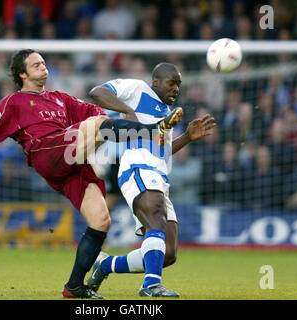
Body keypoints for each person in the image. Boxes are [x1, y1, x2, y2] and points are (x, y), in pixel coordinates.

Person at [0, 49, 183, 299]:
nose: (43, 67)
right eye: (36, 65)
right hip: (46, 150)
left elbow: (97, 113)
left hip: (71, 161)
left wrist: (113, 119)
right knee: (96, 127)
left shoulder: (60, 98)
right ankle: (152, 130)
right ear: (22, 74)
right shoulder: (13, 102)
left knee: (101, 220)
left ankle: (74, 286)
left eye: (44, 63)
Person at [87, 62, 216, 297]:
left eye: (179, 85)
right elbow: (97, 92)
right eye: (171, 83)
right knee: (155, 218)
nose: (176, 89)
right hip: (136, 166)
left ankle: (104, 265)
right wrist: (126, 110)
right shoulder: (137, 90)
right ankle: (151, 286)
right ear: (156, 81)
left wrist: (187, 137)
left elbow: (163, 151)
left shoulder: (168, 114)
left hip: (159, 175)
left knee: (167, 253)